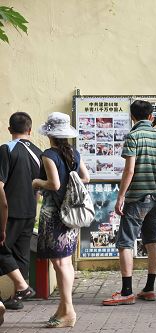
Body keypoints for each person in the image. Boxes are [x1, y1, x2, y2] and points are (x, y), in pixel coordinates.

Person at [102, 100, 156, 306]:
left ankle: (127, 291)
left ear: (132, 117)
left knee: (125, 242)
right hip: (154, 197)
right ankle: (149, 288)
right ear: (150, 117)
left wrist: (120, 196)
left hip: (136, 198)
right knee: (151, 242)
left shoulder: (133, 136)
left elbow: (129, 170)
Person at [32, 112, 90, 328]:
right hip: (71, 213)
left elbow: (54, 185)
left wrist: (37, 182)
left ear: (50, 134)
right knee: (64, 261)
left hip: (54, 213)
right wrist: (71, 178)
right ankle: (64, 309)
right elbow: (86, 177)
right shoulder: (74, 153)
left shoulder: (48, 155)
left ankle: (69, 311)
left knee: (60, 262)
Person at [0, 112, 42, 311]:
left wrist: (3, 212)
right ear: (30, 130)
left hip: (10, 211)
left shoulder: (6, 149)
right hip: (30, 211)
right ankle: (16, 297)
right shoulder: (38, 152)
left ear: (9, 129)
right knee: (21, 254)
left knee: (2, 249)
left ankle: (23, 287)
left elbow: (0, 186)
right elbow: (38, 188)